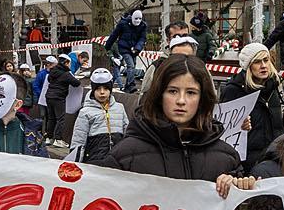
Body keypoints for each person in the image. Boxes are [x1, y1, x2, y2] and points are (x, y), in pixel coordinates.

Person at [94, 54, 254, 197]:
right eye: (172, 91)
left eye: (191, 92)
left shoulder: (226, 158)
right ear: (159, 95)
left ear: (202, 99)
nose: (181, 100)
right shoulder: (125, 156)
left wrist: (238, 187)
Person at [220, 42, 284, 169]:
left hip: (278, 158)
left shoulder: (278, 87)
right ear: (248, 66)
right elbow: (223, 130)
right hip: (247, 163)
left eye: (266, 60)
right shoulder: (234, 90)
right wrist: (240, 126)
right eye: (257, 62)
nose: (263, 66)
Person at [69, 67, 129, 163]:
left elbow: (128, 135)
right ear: (93, 90)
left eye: (105, 88)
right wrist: (75, 164)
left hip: (116, 161)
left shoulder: (119, 108)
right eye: (98, 89)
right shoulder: (85, 112)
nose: (102, 92)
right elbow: (78, 141)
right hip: (94, 160)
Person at [39, 51, 78, 147]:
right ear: (66, 63)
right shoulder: (66, 74)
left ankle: (48, 138)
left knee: (51, 118)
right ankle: (58, 139)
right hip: (58, 97)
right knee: (61, 118)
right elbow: (77, 83)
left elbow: (49, 80)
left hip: (49, 96)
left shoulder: (52, 71)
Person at [107, 7, 145, 89]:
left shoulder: (143, 26)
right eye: (136, 18)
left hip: (134, 49)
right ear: (132, 17)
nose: (138, 21)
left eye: (140, 19)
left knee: (132, 66)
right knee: (130, 65)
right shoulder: (123, 24)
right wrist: (108, 46)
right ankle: (130, 84)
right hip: (124, 48)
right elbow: (114, 35)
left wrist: (137, 48)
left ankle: (125, 84)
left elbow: (142, 38)